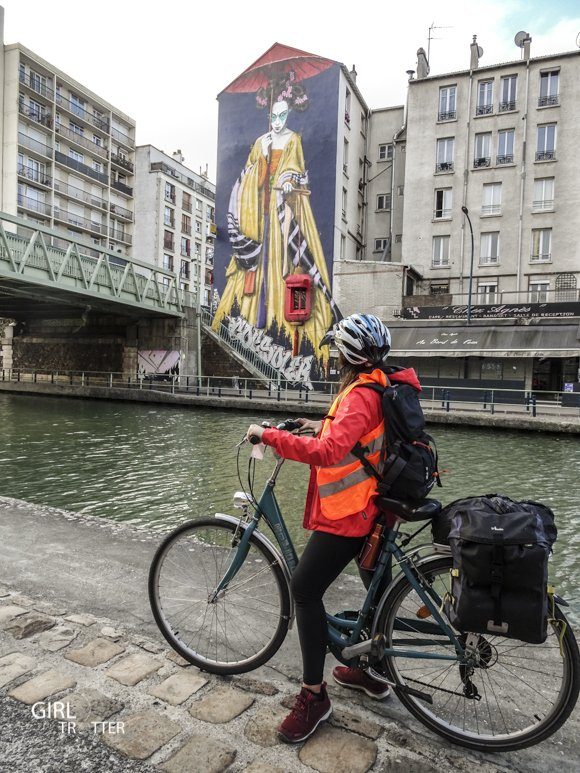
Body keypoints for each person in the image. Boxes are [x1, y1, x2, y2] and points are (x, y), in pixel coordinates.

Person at [246, 313, 423, 743]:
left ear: (347, 355)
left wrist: (268, 436)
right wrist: (316, 424)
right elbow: (351, 437)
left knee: (304, 589)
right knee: (374, 593)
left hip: (352, 512)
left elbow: (328, 453)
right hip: (372, 507)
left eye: (336, 351)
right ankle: (369, 670)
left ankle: (314, 696)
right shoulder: (378, 384)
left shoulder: (360, 395)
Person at [213, 76, 339, 369]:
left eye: (283, 115)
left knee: (284, 261)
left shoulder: (293, 140)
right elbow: (248, 172)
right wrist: (262, 166)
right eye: (274, 115)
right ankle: (257, 316)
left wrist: (284, 180)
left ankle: (278, 321)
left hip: (283, 207)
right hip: (259, 210)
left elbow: (295, 168)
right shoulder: (260, 142)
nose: (278, 120)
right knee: (256, 266)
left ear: (288, 115)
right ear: (269, 115)